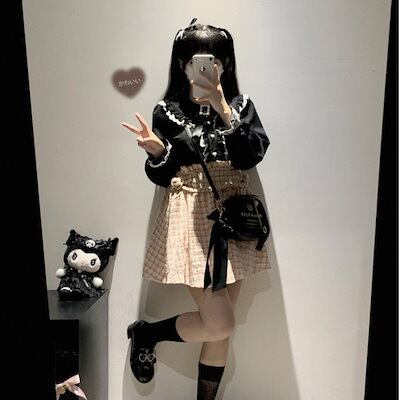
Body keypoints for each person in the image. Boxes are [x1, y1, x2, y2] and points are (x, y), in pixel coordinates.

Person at [121, 18, 272, 399]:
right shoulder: (167, 111)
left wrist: (222, 106)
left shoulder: (240, 106)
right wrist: (158, 153)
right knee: (219, 324)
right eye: (196, 60)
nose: (206, 67)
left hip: (234, 215)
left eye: (214, 60)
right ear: (181, 64)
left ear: (226, 63)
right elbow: (162, 176)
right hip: (189, 213)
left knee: (220, 329)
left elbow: (251, 155)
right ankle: (147, 334)